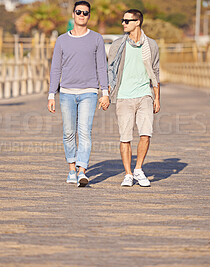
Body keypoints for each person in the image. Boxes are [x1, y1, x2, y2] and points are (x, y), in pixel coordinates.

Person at [47, 1, 109, 187]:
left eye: (86, 12)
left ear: (89, 16)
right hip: (66, 93)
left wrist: (104, 93)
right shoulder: (61, 40)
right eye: (79, 12)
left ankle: (82, 171)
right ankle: (71, 170)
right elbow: (55, 68)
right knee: (68, 133)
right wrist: (51, 94)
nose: (82, 15)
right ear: (73, 14)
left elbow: (102, 67)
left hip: (89, 92)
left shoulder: (97, 38)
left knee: (85, 132)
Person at [108, 9, 160, 187]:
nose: (123, 23)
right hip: (123, 96)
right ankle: (128, 174)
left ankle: (138, 168)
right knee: (125, 137)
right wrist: (106, 94)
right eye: (123, 20)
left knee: (146, 133)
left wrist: (157, 97)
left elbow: (155, 71)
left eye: (127, 21)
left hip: (145, 94)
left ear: (137, 22)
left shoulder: (151, 45)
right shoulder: (118, 45)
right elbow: (111, 71)